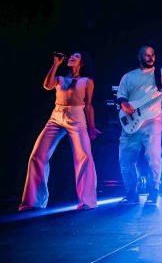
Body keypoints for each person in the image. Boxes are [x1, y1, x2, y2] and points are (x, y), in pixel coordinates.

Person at [20, 52, 101, 211]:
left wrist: (92, 126)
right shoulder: (60, 79)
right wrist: (56, 64)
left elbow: (89, 105)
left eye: (76, 56)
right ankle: (33, 202)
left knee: (84, 156)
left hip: (77, 117)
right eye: (71, 56)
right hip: (56, 116)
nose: (71, 57)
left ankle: (87, 201)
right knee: (37, 155)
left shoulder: (87, 81)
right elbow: (47, 85)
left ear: (82, 63)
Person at [116, 46, 162, 206]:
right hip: (131, 120)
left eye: (152, 55)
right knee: (126, 159)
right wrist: (124, 104)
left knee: (154, 158)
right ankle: (131, 193)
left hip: (152, 121)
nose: (150, 58)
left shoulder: (161, 74)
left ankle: (153, 193)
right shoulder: (129, 76)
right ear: (139, 57)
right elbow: (121, 96)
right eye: (146, 55)